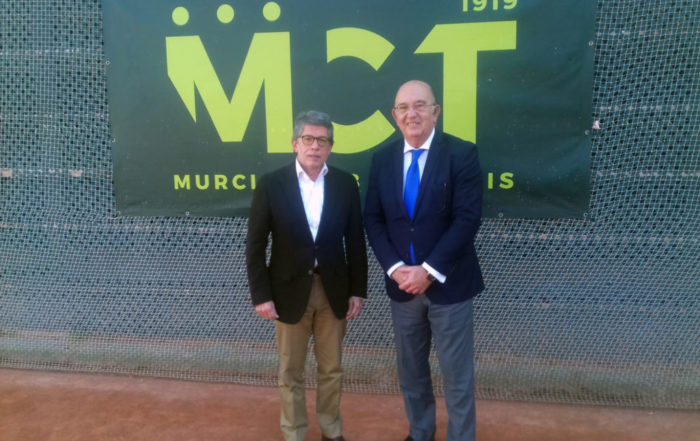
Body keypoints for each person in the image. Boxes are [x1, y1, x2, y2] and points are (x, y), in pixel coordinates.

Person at [364, 80, 484, 441]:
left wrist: (428, 272)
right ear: (394, 115)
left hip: (449, 287)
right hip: (402, 289)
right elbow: (373, 218)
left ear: (436, 111)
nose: (411, 114)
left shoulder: (461, 154)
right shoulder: (382, 159)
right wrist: (396, 269)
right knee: (412, 374)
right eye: (403, 107)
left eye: (420, 105)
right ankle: (421, 434)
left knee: (456, 376)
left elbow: (467, 218)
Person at [246, 110, 368, 441]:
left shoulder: (345, 184)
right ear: (295, 143)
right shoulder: (271, 185)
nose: (315, 146)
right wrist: (261, 295)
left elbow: (356, 241)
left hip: (334, 292)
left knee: (332, 370)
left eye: (323, 140)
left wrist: (358, 290)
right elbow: (255, 246)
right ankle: (295, 432)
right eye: (308, 139)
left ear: (330, 146)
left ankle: (331, 430)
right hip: (286, 293)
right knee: (290, 371)